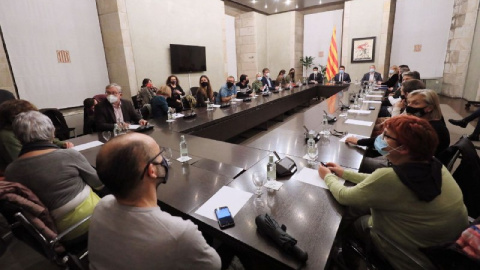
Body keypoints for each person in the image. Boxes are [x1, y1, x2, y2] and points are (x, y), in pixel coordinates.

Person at [319, 115, 468, 270]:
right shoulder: (434, 165)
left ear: (403, 148)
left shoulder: (390, 178)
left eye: (386, 136)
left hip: (413, 257)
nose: (380, 138)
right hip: (445, 251)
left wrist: (327, 176)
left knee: (351, 220)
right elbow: (377, 182)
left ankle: (340, 258)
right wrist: (344, 173)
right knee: (361, 206)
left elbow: (344, 196)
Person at [89, 133, 221, 270]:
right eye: (159, 154)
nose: (163, 159)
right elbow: (214, 265)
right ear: (152, 171)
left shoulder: (101, 205)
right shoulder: (180, 233)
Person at [5, 111, 104, 240]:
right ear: (52, 132)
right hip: (88, 220)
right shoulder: (68, 155)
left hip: (50, 232)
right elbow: (98, 183)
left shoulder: (11, 170)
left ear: (18, 138)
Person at [347, 89, 449, 173]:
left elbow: (386, 142)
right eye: (409, 102)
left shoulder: (426, 129)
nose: (409, 106)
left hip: (404, 170)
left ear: (429, 108)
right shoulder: (429, 121)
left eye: (416, 103)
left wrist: (358, 141)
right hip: (403, 161)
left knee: (352, 162)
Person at [0, 100, 73, 173]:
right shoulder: (7, 135)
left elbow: (43, 137)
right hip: (22, 174)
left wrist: (61, 143)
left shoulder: (25, 127)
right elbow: (21, 162)